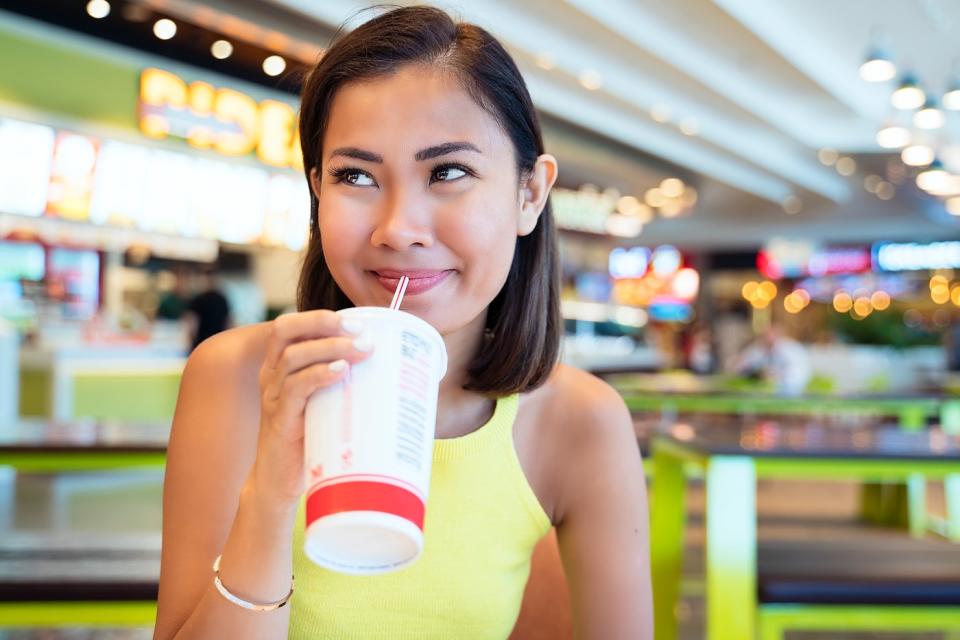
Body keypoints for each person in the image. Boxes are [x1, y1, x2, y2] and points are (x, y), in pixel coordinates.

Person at [153, 7, 652, 640]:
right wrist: (272, 496)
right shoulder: (236, 377)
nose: (397, 229)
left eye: (448, 173)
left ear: (529, 194)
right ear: (317, 193)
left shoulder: (578, 421)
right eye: (355, 176)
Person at [734, 325, 812, 396]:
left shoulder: (790, 349)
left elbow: (798, 373)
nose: (767, 339)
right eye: (764, 336)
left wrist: (775, 375)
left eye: (770, 336)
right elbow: (742, 364)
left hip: (789, 390)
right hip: (763, 390)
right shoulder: (759, 348)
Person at [184, 268, 231, 353]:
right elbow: (228, 323)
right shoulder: (222, 299)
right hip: (218, 344)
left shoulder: (197, 299)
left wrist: (190, 343)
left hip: (201, 344)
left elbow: (192, 324)